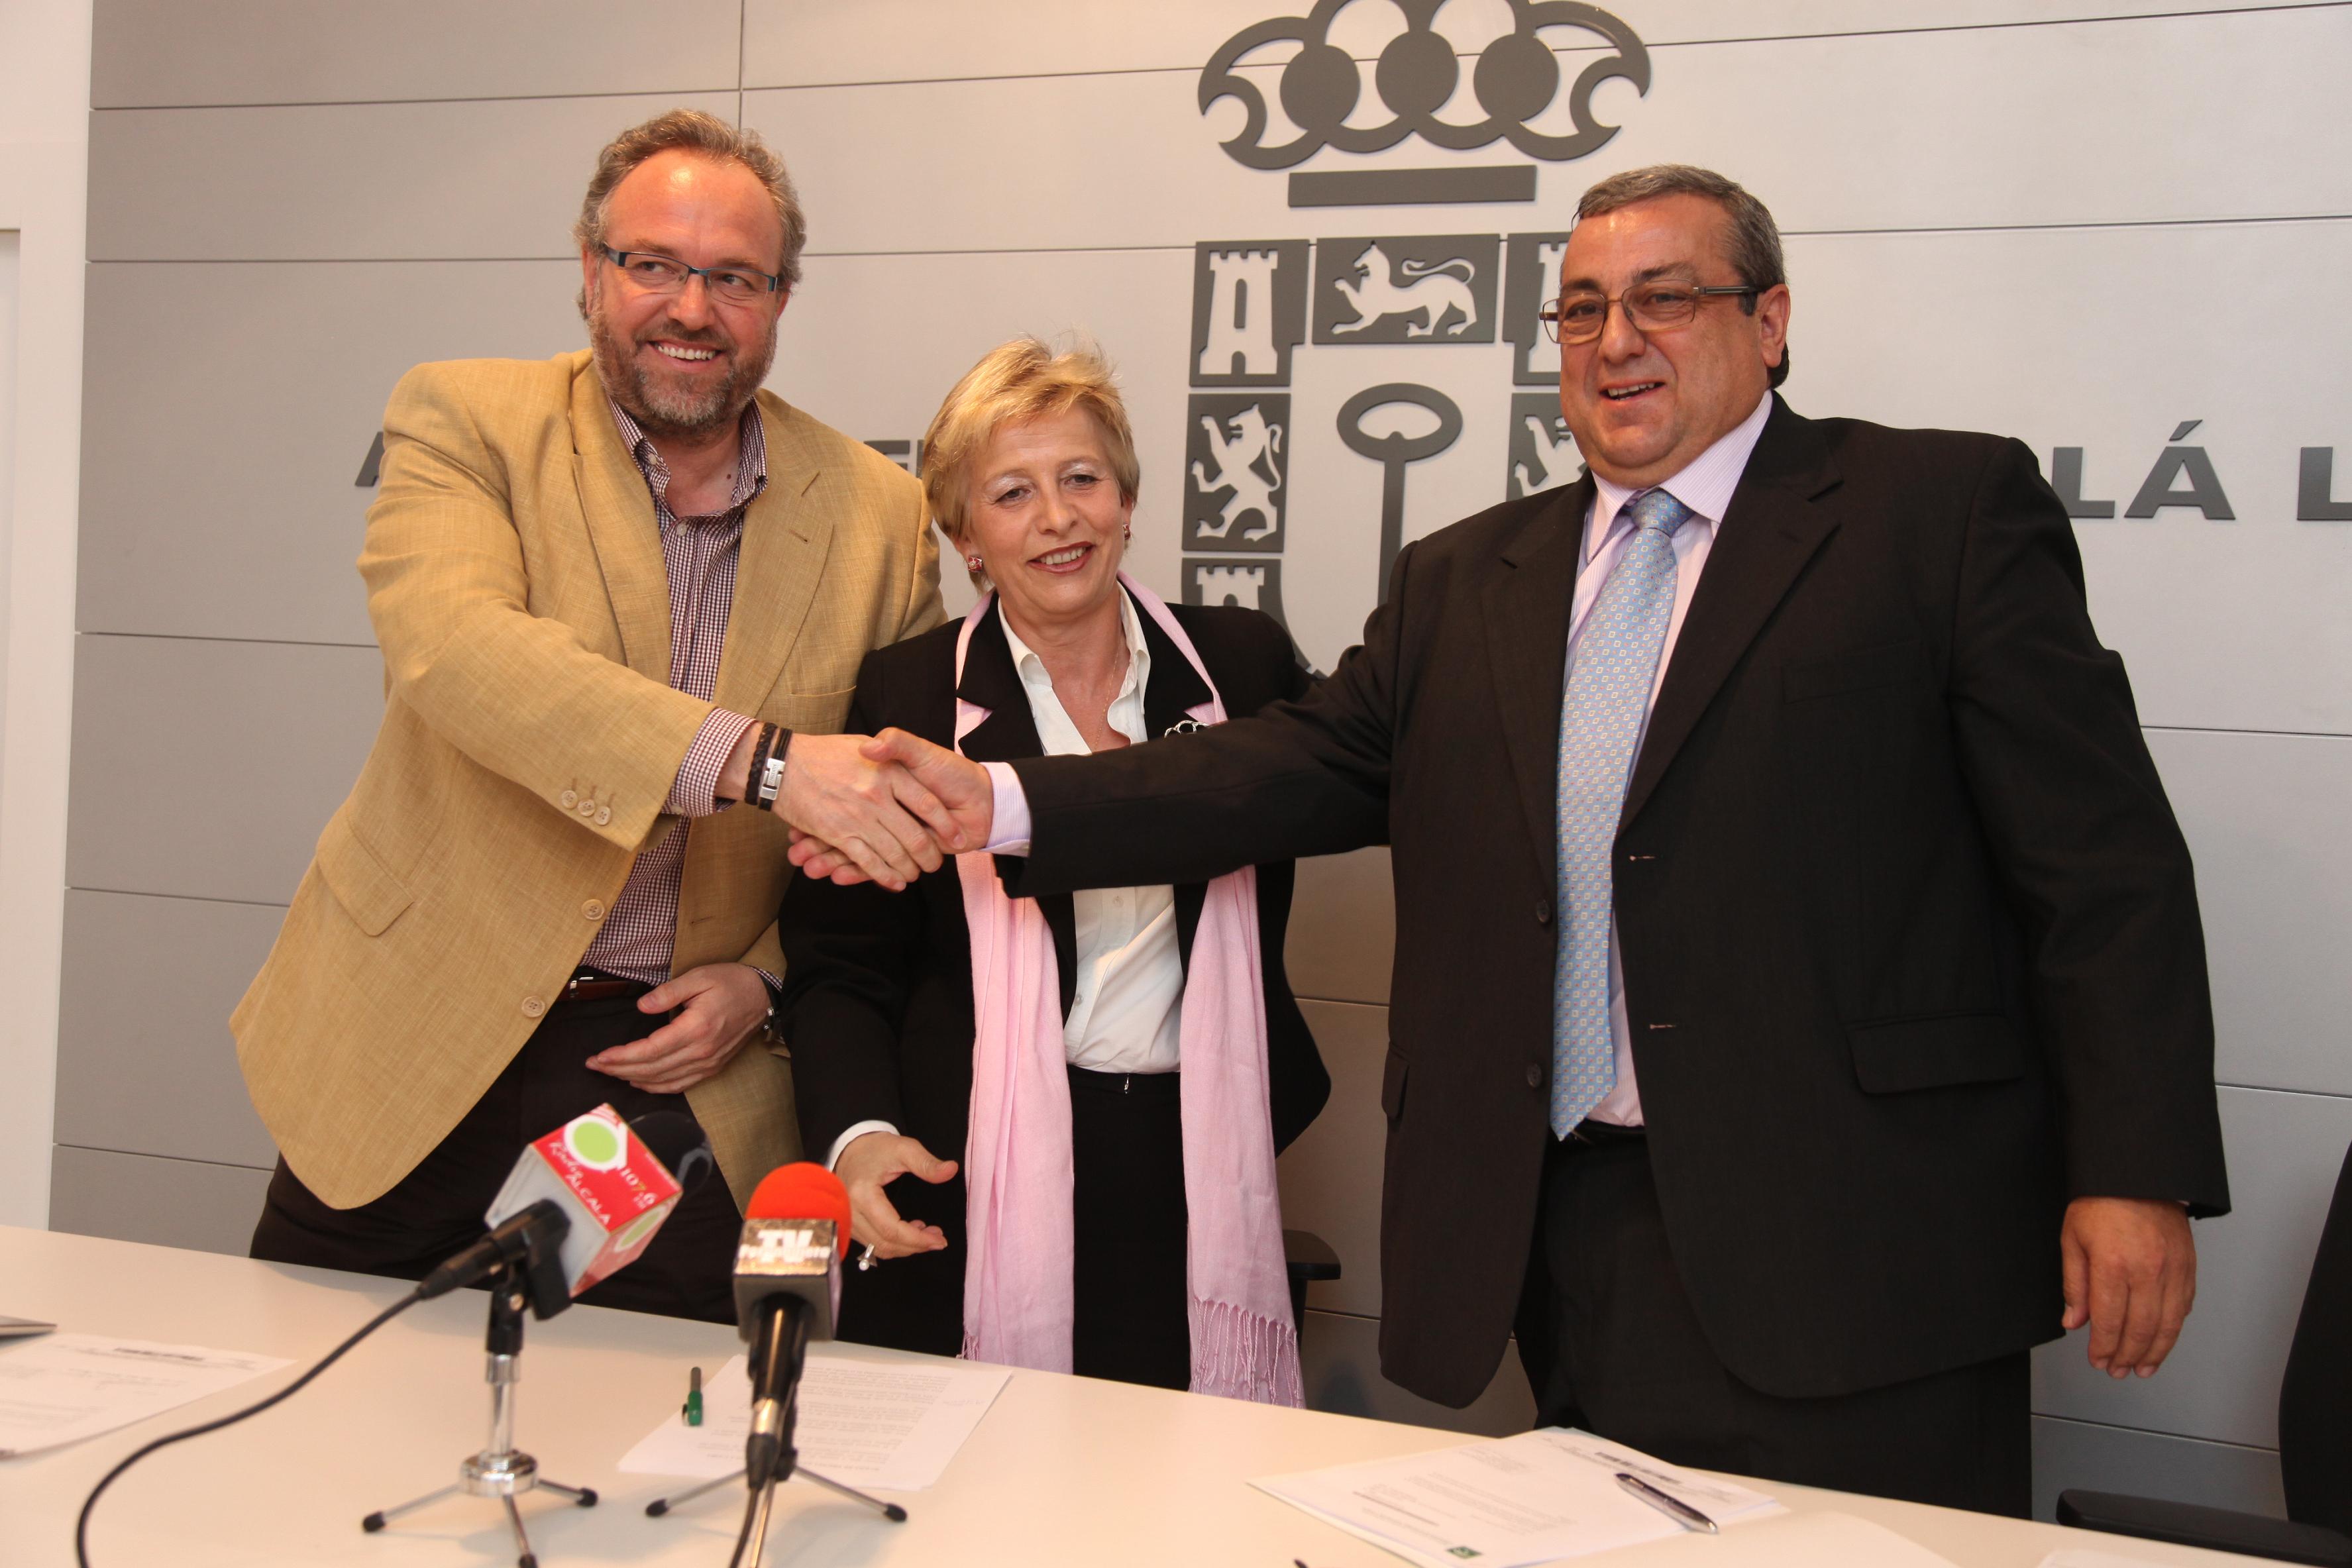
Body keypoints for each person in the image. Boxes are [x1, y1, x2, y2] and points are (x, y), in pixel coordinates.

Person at [797, 166, 2231, 1510]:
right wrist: (1006, 802)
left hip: (1860, 1240)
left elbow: (2098, 866)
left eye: (1665, 298)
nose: (1617, 340)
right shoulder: (1466, 577)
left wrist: (2133, 1166)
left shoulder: (1936, 514)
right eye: (1582, 309)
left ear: (1769, 322)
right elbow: (1287, 764)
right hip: (1568, 1233)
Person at [233, 109, 966, 1322]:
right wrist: (766, 764)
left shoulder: (879, 514)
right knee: (319, 1381)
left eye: (733, 277)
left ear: (780, 299)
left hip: (677, 1070)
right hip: (421, 1031)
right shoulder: (466, 419)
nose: (692, 308)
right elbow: (463, 654)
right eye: (653, 265)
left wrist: (767, 984)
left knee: (660, 1423)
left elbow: (881, 820)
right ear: (589, 271)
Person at [777, 339, 1325, 1400]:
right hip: (968, 1157)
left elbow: (1346, 789)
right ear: (966, 538)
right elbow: (841, 960)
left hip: (1198, 1154)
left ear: (1127, 499)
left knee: (1178, 1464)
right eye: (1012, 493)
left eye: (1081, 478)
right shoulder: (908, 697)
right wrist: (857, 1133)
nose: (1058, 518)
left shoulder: (1241, 666)